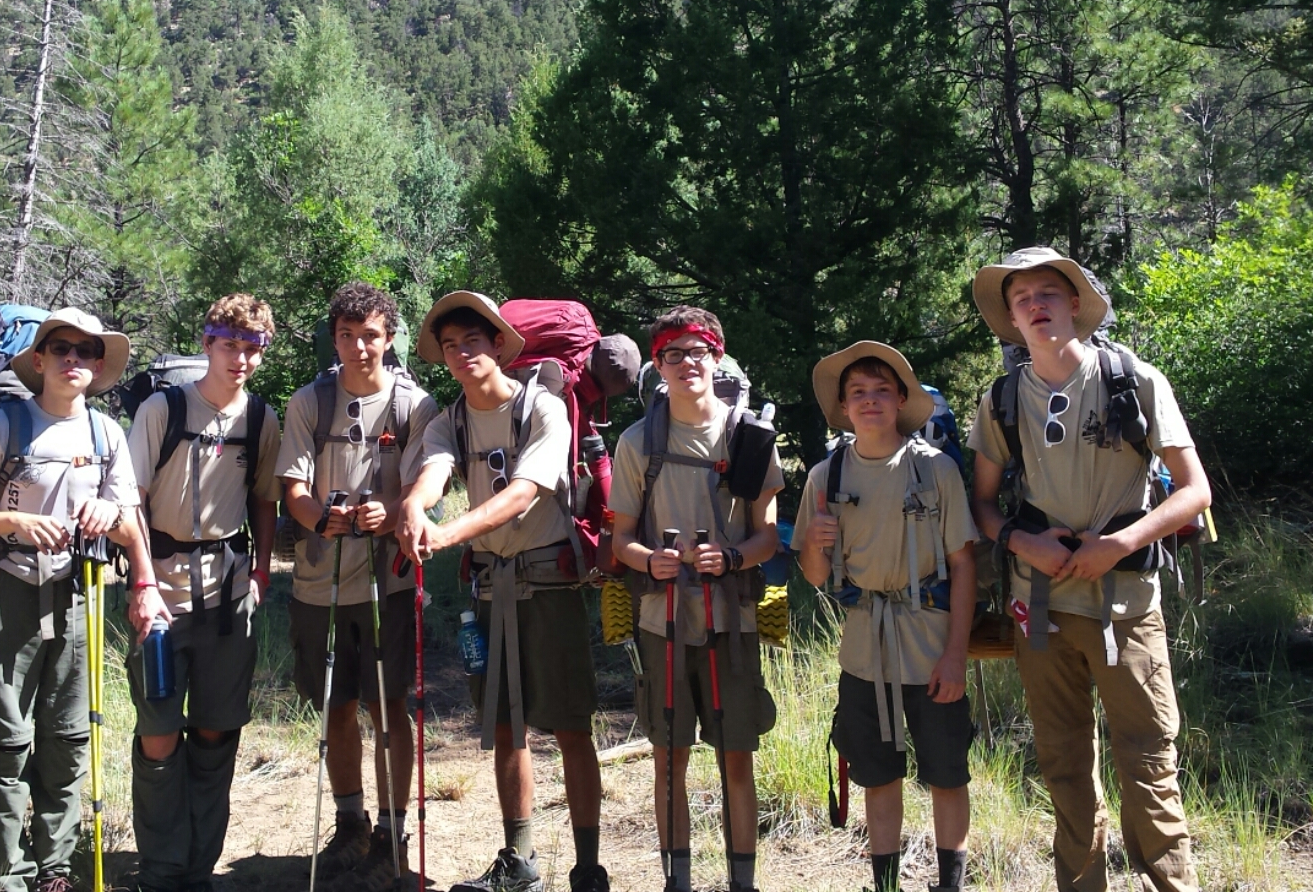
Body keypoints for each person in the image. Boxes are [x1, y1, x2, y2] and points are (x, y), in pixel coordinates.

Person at [966, 248, 1212, 892]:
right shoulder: (998, 402)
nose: (1037, 306)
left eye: (1049, 293)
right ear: (1011, 319)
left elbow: (1194, 491)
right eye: (1023, 300)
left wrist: (1119, 542)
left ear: (1075, 302)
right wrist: (1023, 543)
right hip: (1039, 612)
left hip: (1126, 606)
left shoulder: (1134, 379)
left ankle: (1173, 884)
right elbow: (982, 506)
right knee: (1064, 767)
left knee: (1150, 763)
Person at [399, 291, 608, 892]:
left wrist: (443, 535)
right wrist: (415, 507)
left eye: (473, 342)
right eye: (450, 347)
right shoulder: (450, 420)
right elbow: (433, 475)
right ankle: (520, 861)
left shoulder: (544, 408)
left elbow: (523, 492)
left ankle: (589, 867)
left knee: (570, 726)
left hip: (550, 584)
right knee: (504, 727)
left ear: (498, 346)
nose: (463, 354)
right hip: (490, 590)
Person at [0, 307, 147, 892]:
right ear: (39, 360)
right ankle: (6, 873)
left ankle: (55, 869)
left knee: (68, 737)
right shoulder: (3, 427)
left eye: (86, 351)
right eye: (61, 348)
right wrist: (17, 521)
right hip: (8, 589)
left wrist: (113, 516)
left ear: (97, 365)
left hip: (80, 591)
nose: (73, 360)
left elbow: (129, 520)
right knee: (5, 737)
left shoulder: (107, 434)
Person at [607, 306, 782, 892]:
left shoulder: (749, 435)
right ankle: (675, 882)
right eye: (673, 354)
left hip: (732, 621)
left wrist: (730, 557)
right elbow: (621, 540)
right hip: (663, 621)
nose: (687, 363)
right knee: (669, 760)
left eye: (698, 350)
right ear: (657, 365)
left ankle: (742, 883)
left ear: (718, 356)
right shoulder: (637, 443)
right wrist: (648, 559)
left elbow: (767, 537)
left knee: (737, 756)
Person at [797, 342, 976, 892]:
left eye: (881, 390)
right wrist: (816, 545)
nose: (869, 401)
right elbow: (811, 573)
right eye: (857, 393)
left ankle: (951, 883)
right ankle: (887, 884)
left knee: (947, 775)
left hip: (931, 650)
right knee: (879, 776)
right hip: (863, 654)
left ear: (902, 399)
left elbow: (963, 566)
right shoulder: (824, 478)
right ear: (844, 408)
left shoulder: (935, 469)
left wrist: (955, 656)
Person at [279, 283, 438, 890]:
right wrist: (320, 514)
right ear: (334, 337)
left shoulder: (414, 406)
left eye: (370, 334)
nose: (358, 346)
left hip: (387, 584)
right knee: (336, 705)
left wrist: (391, 511)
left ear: (389, 337)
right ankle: (350, 823)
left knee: (389, 704)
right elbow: (291, 487)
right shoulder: (309, 402)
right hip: (320, 580)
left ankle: (390, 833)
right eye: (346, 335)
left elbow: (431, 481)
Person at [124, 293, 283, 892]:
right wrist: (141, 582)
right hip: (160, 589)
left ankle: (198, 867)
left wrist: (262, 571)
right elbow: (129, 499)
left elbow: (265, 499)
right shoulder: (163, 410)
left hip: (228, 592)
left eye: (251, 347)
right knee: (159, 729)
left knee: (217, 727)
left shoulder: (261, 419)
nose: (239, 358)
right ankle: (163, 870)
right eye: (228, 344)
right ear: (207, 343)